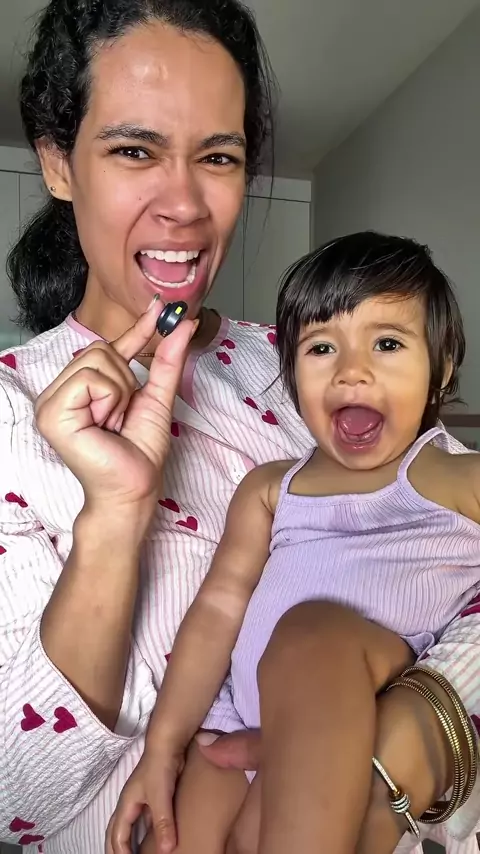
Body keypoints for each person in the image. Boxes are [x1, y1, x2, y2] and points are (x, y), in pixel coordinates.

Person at [0, 0, 477, 852]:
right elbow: (18, 797)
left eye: (217, 156)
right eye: (135, 150)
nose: (184, 204)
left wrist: (424, 727)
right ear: (58, 163)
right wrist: (112, 524)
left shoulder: (309, 364)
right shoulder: (10, 409)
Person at [107, 233, 480, 854]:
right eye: (321, 347)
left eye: (388, 344)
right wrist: (164, 746)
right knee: (177, 834)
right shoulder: (270, 488)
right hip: (240, 719)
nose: (351, 370)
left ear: (440, 368)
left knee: (310, 632)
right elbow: (217, 609)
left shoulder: (451, 474)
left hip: (357, 696)